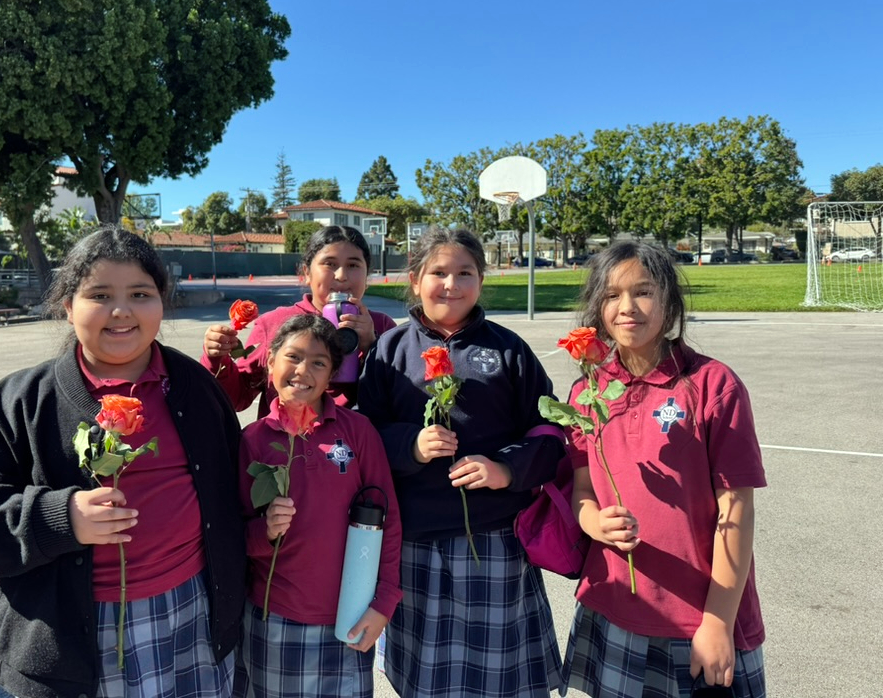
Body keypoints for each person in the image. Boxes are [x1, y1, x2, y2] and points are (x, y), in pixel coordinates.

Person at [0, 226, 245, 698]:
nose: (121, 310)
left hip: (194, 616)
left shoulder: (196, 388)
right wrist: (59, 518)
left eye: (140, 293)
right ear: (67, 306)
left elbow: (236, 493)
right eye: (99, 295)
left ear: (162, 302)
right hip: (73, 642)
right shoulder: (22, 401)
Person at [358, 226, 565, 698]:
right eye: (438, 273)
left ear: (481, 280)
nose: (451, 284)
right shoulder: (389, 351)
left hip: (494, 540)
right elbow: (365, 436)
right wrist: (411, 445)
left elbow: (550, 432)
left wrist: (506, 469)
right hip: (416, 542)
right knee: (428, 678)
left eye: (465, 273)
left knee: (500, 677)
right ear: (415, 280)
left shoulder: (509, 349)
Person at [559, 241, 767, 698]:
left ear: (669, 301)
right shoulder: (586, 393)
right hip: (615, 607)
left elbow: (736, 510)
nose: (627, 307)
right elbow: (582, 489)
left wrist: (718, 621)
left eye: (643, 292)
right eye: (612, 295)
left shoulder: (713, 384)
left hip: (699, 616)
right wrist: (594, 522)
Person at [238, 314, 402, 698]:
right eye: (293, 357)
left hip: (349, 615)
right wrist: (265, 531)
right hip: (275, 617)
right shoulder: (253, 440)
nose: (303, 371)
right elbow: (237, 534)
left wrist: (384, 600)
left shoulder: (357, 431)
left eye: (318, 362)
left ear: (332, 376)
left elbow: (388, 519)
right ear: (270, 361)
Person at [201, 225, 396, 417]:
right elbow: (238, 397)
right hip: (285, 437)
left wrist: (373, 346)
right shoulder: (273, 323)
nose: (341, 276)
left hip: (360, 436)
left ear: (367, 275)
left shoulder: (382, 327)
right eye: (329, 264)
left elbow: (399, 398)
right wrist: (217, 358)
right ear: (307, 273)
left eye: (353, 265)